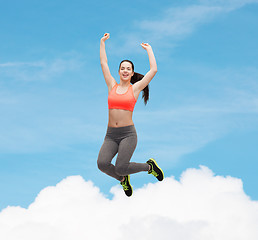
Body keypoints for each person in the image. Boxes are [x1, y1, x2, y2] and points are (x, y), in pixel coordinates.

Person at [97, 33, 164, 197]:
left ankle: (150, 167)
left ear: (132, 73)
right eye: (122, 68)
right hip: (111, 135)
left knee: (121, 167)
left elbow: (153, 70)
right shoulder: (111, 85)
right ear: (119, 72)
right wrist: (102, 42)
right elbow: (103, 63)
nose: (125, 71)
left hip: (128, 134)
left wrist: (149, 50)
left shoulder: (135, 89)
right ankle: (123, 180)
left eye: (128, 69)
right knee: (102, 164)